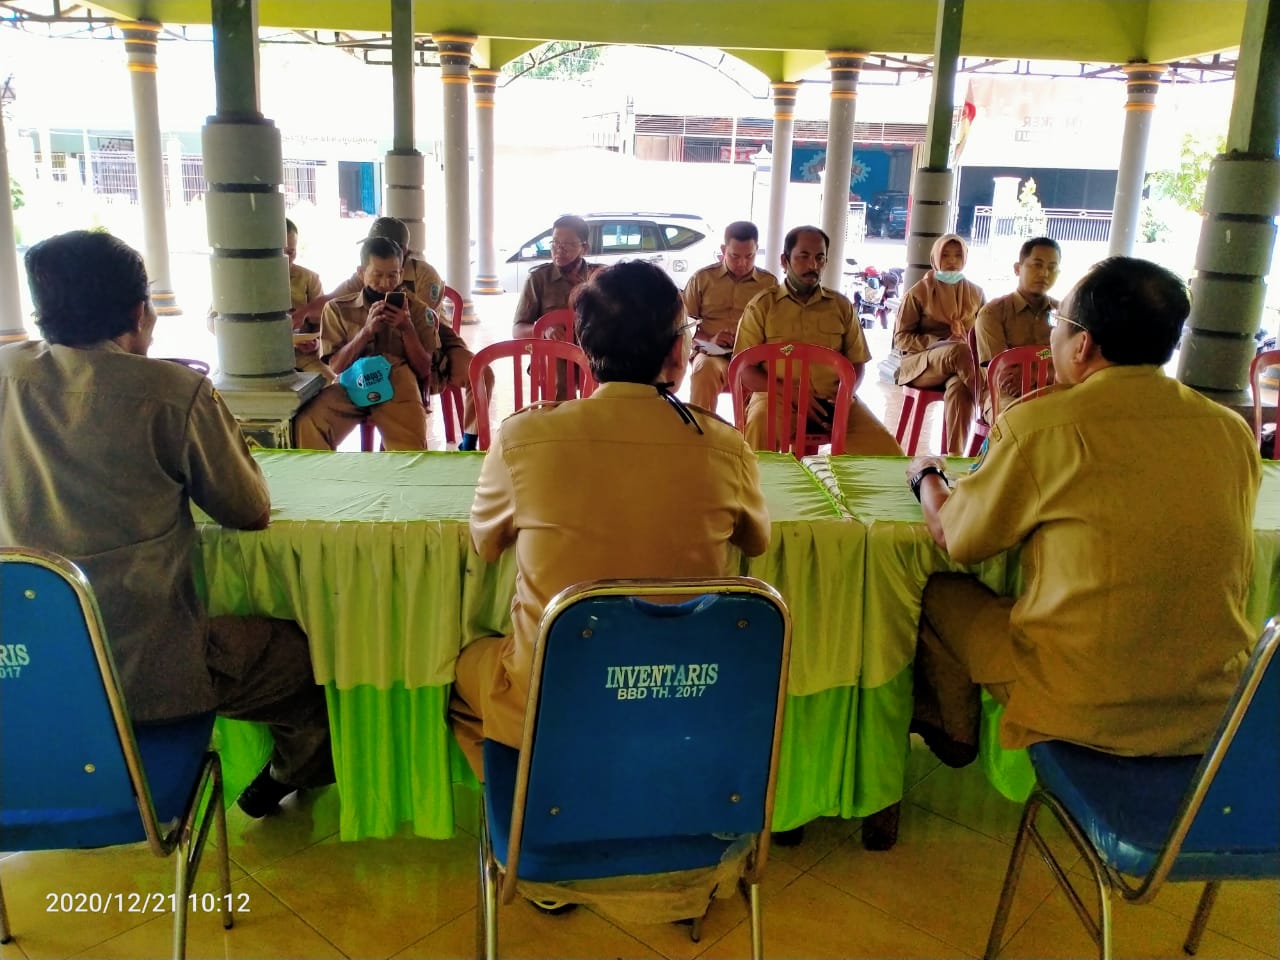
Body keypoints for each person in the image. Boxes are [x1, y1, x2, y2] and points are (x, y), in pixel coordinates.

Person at [0, 230, 333, 818]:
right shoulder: (172, 393)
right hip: (147, 671)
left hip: (22, 672)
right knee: (308, 658)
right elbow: (249, 510)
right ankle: (292, 770)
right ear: (138, 313)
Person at [904, 256, 1259, 774]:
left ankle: (956, 735)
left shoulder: (1043, 426)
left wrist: (926, 475)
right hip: (1217, 705)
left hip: (1085, 699)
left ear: (1083, 344)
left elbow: (955, 536)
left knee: (938, 591)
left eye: (1060, 323)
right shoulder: (1229, 430)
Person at [450, 260, 771, 777]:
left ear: (584, 350)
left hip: (554, 696)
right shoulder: (725, 445)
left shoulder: (523, 438)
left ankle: (534, 801)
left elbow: (486, 545)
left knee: (461, 673)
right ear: (677, 353)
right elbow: (756, 541)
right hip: (682, 694)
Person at [294, 236, 483, 451]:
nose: (385, 284)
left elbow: (424, 369)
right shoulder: (337, 309)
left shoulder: (419, 311)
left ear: (401, 273)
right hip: (352, 384)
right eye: (377, 275)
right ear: (361, 273)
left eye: (392, 275)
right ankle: (321, 472)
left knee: (409, 451)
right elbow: (336, 366)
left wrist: (407, 329)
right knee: (309, 423)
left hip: (399, 386)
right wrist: (365, 332)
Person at [732, 225, 902, 455]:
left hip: (832, 401)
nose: (813, 265)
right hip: (777, 399)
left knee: (888, 453)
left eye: (819, 258)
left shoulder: (841, 307)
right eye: (803, 256)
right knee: (759, 435)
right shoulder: (762, 307)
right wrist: (790, 393)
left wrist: (845, 394)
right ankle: (755, 480)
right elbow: (745, 370)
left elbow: (857, 362)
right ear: (784, 261)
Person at [893, 233, 985, 454]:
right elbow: (901, 338)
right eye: (945, 255)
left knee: (959, 388)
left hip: (962, 367)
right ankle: (990, 405)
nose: (952, 261)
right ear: (935, 257)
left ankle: (953, 458)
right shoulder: (919, 293)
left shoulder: (976, 293)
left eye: (957, 255)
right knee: (959, 350)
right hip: (922, 365)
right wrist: (940, 342)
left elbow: (984, 333)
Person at [681, 220, 777, 411]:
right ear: (724, 250)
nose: (742, 263)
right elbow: (684, 327)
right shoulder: (702, 279)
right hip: (711, 355)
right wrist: (709, 340)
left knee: (765, 384)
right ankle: (702, 428)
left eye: (750, 256)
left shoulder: (768, 284)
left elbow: (775, 328)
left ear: (757, 250)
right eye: (735, 256)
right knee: (704, 370)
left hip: (752, 359)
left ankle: (749, 429)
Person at [294, 216, 448, 323]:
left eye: (383, 248)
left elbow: (423, 320)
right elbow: (334, 299)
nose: (384, 282)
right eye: (372, 246)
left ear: (403, 251)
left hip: (433, 338)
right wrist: (303, 313)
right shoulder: (367, 274)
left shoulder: (424, 275)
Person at [974, 237, 1062, 420]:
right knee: (1018, 419)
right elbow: (1003, 375)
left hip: (1054, 392)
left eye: (1052, 267)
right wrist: (1048, 369)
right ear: (1017, 268)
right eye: (1037, 265)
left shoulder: (1063, 314)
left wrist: (1034, 374)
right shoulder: (993, 313)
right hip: (1004, 396)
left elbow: (1070, 363)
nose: (1044, 273)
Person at [511, 214, 603, 338]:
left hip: (589, 350)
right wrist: (544, 329)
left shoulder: (598, 277)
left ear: (584, 248)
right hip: (554, 350)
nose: (559, 250)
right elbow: (517, 330)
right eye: (555, 243)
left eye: (568, 244)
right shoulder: (538, 279)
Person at [284, 217, 333, 383]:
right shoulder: (245, 279)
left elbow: (324, 321)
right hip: (258, 357)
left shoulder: (309, 278)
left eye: (290, 252)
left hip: (303, 354)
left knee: (333, 385)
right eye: (279, 253)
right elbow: (214, 321)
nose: (285, 259)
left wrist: (316, 342)